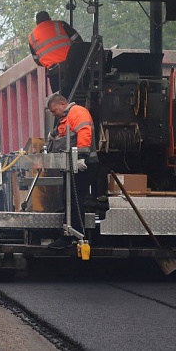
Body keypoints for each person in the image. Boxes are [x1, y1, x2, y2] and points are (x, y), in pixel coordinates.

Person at [45, 93, 99, 249]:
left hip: (84, 164)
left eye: (55, 111)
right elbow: (63, 136)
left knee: (74, 200)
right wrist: (53, 135)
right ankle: (69, 233)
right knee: (68, 200)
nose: (55, 114)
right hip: (72, 166)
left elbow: (84, 133)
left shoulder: (77, 112)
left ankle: (73, 235)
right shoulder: (65, 118)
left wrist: (81, 157)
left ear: (63, 104)